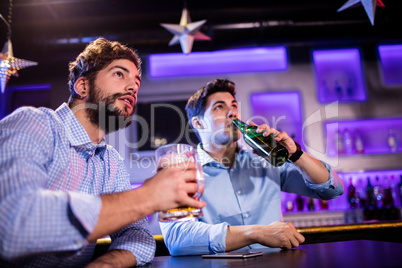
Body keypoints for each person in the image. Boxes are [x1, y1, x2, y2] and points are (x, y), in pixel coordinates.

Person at [0, 38, 205, 267]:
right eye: (119, 74)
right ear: (82, 86)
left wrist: (105, 264)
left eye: (137, 82)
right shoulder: (34, 123)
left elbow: (139, 237)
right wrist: (148, 196)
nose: (133, 87)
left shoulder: (110, 160)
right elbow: (11, 224)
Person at [160, 79, 344, 255]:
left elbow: (332, 190)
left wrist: (295, 155)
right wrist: (255, 233)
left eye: (234, 106)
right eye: (219, 107)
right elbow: (178, 239)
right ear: (198, 123)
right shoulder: (181, 172)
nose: (232, 112)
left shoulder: (266, 161)